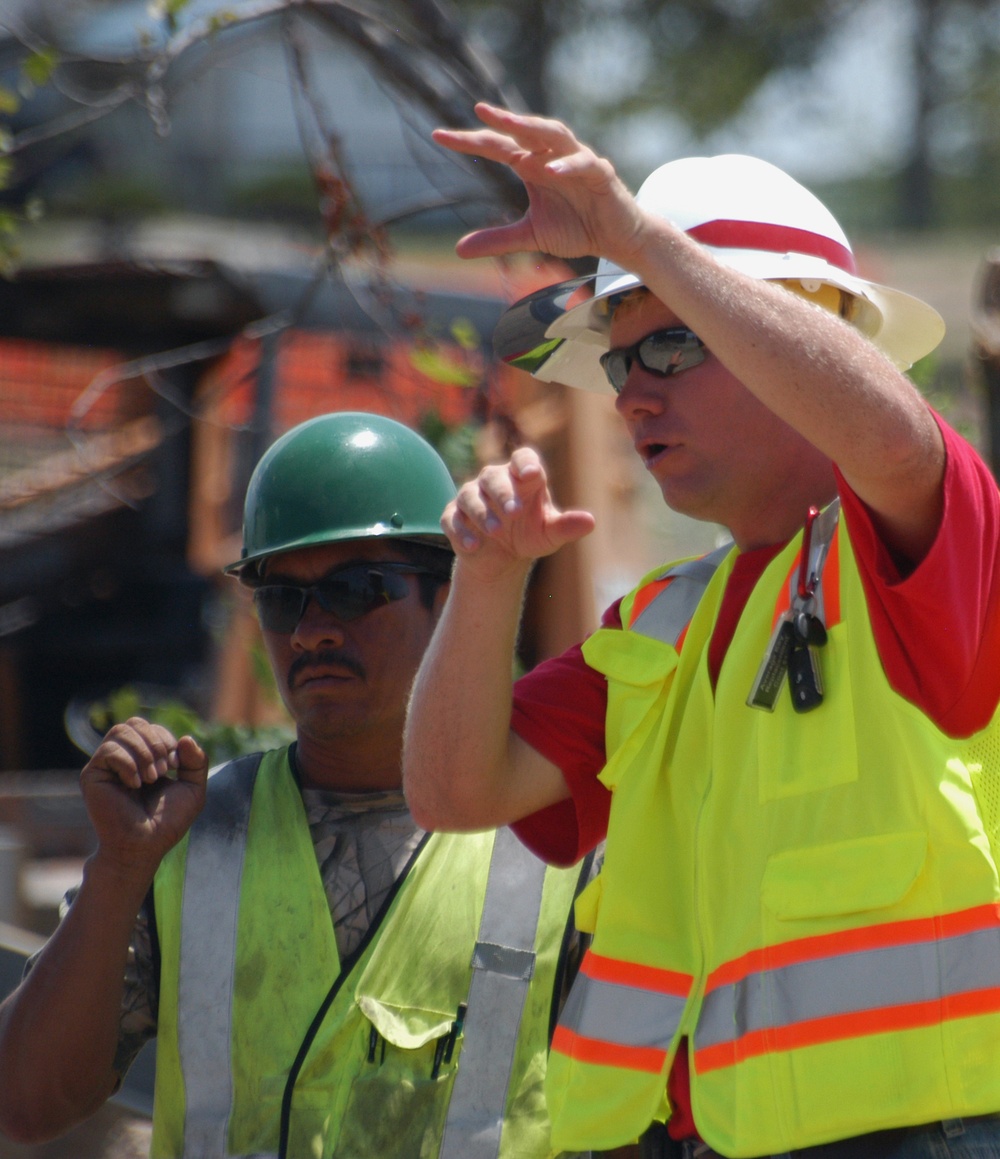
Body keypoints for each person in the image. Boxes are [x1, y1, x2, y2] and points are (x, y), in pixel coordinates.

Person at [402, 104, 1000, 1159]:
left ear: (808, 337)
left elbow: (894, 439)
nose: (631, 396)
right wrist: (485, 578)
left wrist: (635, 242)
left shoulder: (920, 544)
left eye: (671, 344)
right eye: (619, 364)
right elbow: (454, 790)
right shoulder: (666, 622)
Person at [0, 411, 603, 1159]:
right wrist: (119, 868)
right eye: (284, 599)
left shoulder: (561, 847)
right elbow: (25, 1103)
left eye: (356, 589)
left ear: (447, 598)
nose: (314, 630)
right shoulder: (189, 838)